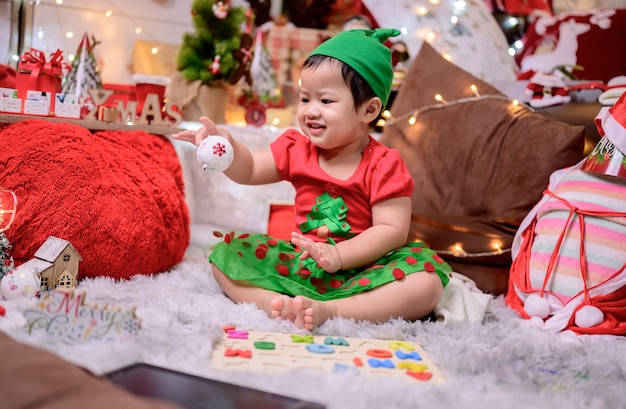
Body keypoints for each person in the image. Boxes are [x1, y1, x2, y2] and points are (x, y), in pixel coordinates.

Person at [173, 28, 452, 331]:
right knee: (224, 255)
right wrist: (225, 146)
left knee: (427, 281)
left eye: (326, 101)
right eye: (305, 98)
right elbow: (250, 168)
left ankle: (334, 309)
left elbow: (391, 230)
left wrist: (339, 255)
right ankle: (270, 302)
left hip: (365, 269)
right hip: (305, 265)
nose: (310, 111)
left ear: (368, 110)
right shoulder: (296, 149)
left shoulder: (384, 164)